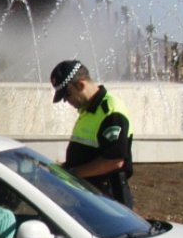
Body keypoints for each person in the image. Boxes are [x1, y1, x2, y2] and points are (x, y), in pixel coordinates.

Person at [50, 60, 135, 207]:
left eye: (68, 94)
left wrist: (72, 174)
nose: (66, 101)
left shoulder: (110, 111)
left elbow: (114, 160)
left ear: (81, 85)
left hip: (109, 200)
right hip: (91, 197)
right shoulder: (88, 110)